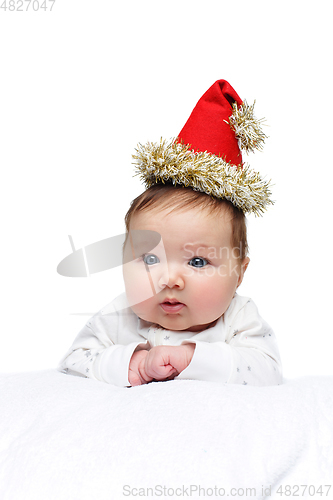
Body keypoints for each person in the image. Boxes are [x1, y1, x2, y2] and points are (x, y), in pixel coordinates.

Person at [58, 80, 282, 387]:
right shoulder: (120, 315)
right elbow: (73, 361)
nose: (169, 280)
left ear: (239, 273)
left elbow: (268, 370)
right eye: (149, 258)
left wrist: (194, 358)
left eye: (198, 262)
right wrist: (132, 362)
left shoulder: (238, 318)